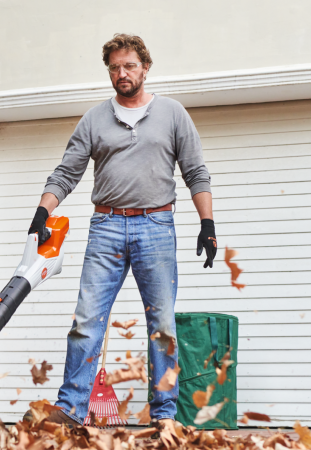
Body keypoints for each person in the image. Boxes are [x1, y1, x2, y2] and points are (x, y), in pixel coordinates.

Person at [26, 34, 216, 428]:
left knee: (161, 324)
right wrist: (42, 212)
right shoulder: (95, 119)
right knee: (86, 321)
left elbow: (195, 172)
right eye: (114, 67)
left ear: (145, 67)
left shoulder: (173, 113)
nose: (122, 73)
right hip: (107, 226)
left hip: (156, 225)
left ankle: (165, 415)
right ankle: (72, 409)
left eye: (129, 65)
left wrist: (207, 224)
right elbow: (66, 172)